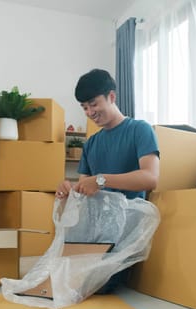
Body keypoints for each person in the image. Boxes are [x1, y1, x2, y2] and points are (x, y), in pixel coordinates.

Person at [55, 68, 160, 292]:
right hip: (96, 231)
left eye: (93, 104)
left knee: (93, 285)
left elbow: (150, 178)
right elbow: (85, 191)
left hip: (125, 230)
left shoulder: (139, 130)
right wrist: (69, 190)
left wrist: (101, 180)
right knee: (60, 279)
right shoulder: (91, 144)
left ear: (111, 97)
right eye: (84, 107)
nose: (90, 112)